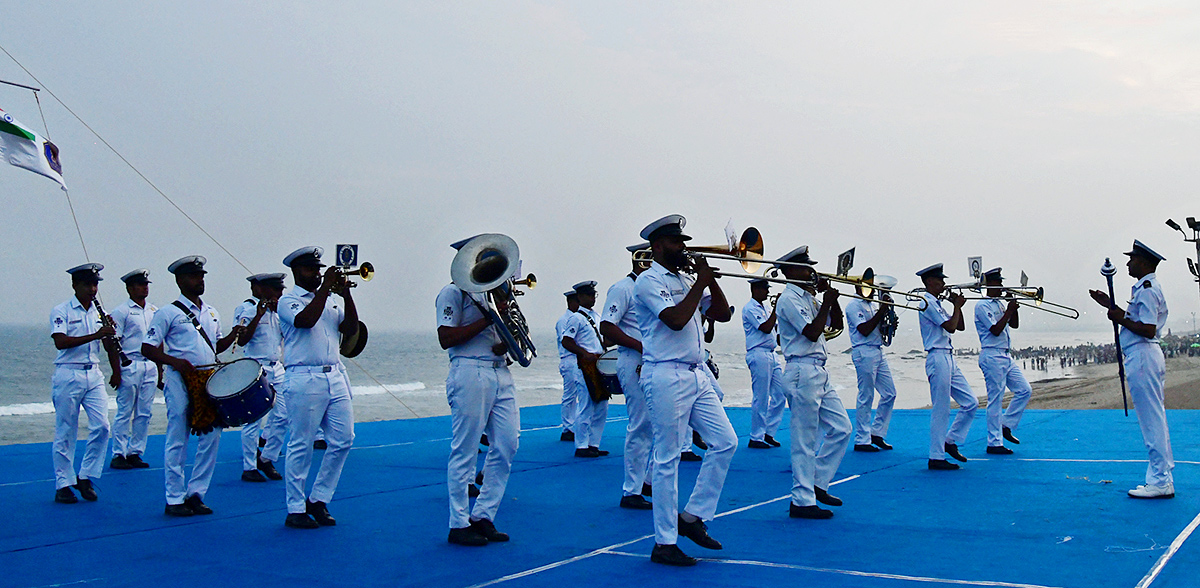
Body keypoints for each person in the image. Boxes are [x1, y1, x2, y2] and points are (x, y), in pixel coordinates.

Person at [633, 214, 737, 567]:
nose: (684, 248)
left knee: (725, 441)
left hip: (696, 374)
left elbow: (721, 314)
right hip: (664, 374)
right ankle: (664, 542)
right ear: (658, 246)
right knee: (666, 459)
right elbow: (674, 320)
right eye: (678, 243)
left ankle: (692, 517)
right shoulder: (648, 282)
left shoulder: (687, 278)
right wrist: (699, 285)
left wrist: (711, 283)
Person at [436, 236, 520, 546]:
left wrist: (506, 339)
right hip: (469, 371)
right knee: (465, 449)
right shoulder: (452, 293)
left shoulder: (492, 296)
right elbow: (446, 337)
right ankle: (458, 522)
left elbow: (501, 338)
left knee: (508, 444)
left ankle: (484, 514)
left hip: (500, 370)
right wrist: (487, 320)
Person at [142, 256, 241, 516]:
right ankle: (174, 497)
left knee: (212, 435)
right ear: (180, 280)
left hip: (208, 378)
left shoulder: (211, 312)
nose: (200, 280)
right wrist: (174, 361)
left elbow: (215, 346)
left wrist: (235, 334)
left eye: (202, 276)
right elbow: (147, 348)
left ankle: (196, 493)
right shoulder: (168, 312)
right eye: (194, 276)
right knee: (179, 435)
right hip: (180, 377)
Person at [277, 246, 358, 528]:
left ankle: (320, 498)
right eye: (311, 269)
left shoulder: (331, 299)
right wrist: (325, 288)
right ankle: (295, 507)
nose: (317, 273)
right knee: (302, 443)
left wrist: (346, 294)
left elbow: (350, 329)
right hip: (303, 377)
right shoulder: (288, 301)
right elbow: (305, 321)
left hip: (334, 374)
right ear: (297, 272)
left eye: (318, 269)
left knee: (344, 439)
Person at [1089, 240, 1174, 499]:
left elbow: (1147, 329)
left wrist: (1120, 318)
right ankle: (1161, 477)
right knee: (1154, 418)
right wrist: (1112, 308)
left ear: (1145, 262)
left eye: (1132, 259)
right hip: (1143, 355)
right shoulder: (1144, 288)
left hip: (1143, 354)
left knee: (1151, 421)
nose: (1128, 263)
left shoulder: (1147, 289)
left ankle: (1160, 480)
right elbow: (1138, 320)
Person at [773, 247, 852, 519]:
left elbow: (835, 325)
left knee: (842, 428)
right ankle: (802, 500)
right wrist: (827, 301)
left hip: (818, 370)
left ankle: (817, 483)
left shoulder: (807, 297)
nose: (811, 272)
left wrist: (832, 299)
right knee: (804, 439)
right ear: (790, 271)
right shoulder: (787, 300)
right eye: (806, 268)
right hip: (800, 370)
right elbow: (811, 332)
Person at [49, 263, 117, 503]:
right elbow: (61, 342)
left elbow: (106, 346)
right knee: (67, 429)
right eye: (87, 284)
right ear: (75, 285)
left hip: (93, 373)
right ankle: (63, 483)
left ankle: (86, 474)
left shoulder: (99, 312)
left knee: (102, 427)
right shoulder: (62, 310)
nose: (92, 289)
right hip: (68, 373)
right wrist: (97, 334)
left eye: (95, 284)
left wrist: (110, 335)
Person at [600, 243, 653, 508]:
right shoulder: (622, 288)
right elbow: (607, 327)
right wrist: (639, 345)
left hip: (655, 361)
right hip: (634, 359)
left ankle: (648, 479)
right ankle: (631, 490)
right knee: (641, 424)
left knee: (662, 425)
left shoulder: (655, 287)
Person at [915, 263, 977, 471]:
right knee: (941, 409)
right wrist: (957, 306)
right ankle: (936, 456)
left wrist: (956, 306)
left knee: (971, 402)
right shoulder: (927, 302)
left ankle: (950, 441)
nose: (943, 283)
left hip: (948, 356)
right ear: (929, 282)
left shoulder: (937, 302)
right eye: (940, 280)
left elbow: (959, 326)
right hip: (937, 357)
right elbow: (950, 326)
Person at [235, 273, 287, 482]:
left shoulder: (278, 313)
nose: (280, 294)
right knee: (252, 421)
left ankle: (266, 457)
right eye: (276, 290)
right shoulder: (246, 309)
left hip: (277, 367)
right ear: (261, 289)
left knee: (284, 414)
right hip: (256, 368)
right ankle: (249, 467)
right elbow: (242, 340)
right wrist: (258, 315)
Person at [974, 268, 1031, 455]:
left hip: (1005, 355)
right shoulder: (982, 306)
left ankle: (1006, 425)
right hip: (991, 355)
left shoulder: (998, 304)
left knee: (1024, 390)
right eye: (998, 283)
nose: (1001, 286)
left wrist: (1012, 308)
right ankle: (994, 442)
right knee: (995, 399)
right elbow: (995, 330)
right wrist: (1009, 311)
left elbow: (1013, 324)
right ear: (989, 285)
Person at [108, 269, 159, 470]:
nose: (144, 288)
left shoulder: (154, 311)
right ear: (129, 288)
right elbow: (113, 343)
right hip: (130, 364)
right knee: (125, 411)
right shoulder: (121, 312)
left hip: (149, 365)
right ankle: (118, 453)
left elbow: (158, 341)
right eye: (140, 284)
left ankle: (136, 451)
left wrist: (160, 370)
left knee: (144, 412)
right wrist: (116, 371)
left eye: (146, 284)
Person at [845, 278, 898, 452]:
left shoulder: (871, 305)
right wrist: (882, 311)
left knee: (889, 393)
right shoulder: (854, 306)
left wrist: (888, 322)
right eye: (869, 286)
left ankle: (877, 433)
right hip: (864, 351)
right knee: (866, 395)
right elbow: (864, 329)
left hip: (877, 350)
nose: (874, 290)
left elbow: (878, 329)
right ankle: (862, 439)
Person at [562, 280, 609, 457]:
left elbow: (601, 340)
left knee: (602, 405)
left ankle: (593, 443)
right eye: (589, 295)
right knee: (586, 405)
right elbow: (566, 341)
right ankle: (581, 445)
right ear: (580, 297)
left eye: (593, 295)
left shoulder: (596, 317)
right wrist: (583, 353)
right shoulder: (575, 318)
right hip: (585, 365)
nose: (592, 298)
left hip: (599, 363)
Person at [742, 279, 786, 449]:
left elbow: (775, 331)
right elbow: (766, 328)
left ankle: (768, 432)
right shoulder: (750, 308)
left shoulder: (766, 308)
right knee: (761, 396)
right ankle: (756, 437)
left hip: (771, 353)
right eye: (765, 289)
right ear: (755, 289)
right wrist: (776, 309)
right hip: (758, 353)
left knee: (780, 394)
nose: (767, 293)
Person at [555, 290, 581, 441]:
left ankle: (577, 425)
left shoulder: (582, 317)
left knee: (583, 394)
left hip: (580, 359)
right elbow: (568, 340)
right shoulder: (564, 321)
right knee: (570, 395)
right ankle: (568, 428)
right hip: (570, 358)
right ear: (571, 302)